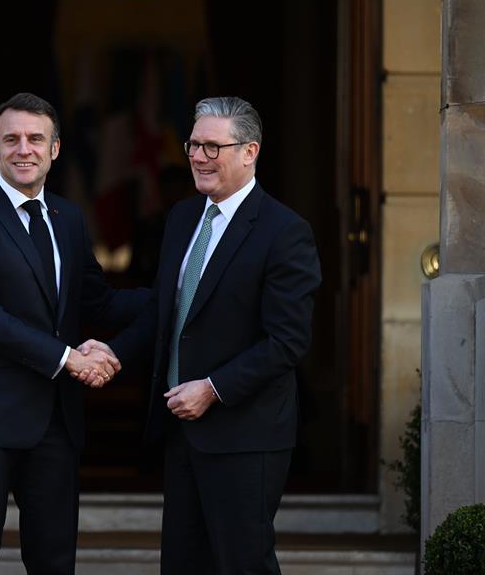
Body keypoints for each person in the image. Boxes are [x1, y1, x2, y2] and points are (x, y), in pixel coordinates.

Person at [87, 96, 321, 573]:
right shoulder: (182, 218)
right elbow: (166, 311)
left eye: (213, 147)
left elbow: (287, 341)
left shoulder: (284, 231)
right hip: (182, 432)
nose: (197, 156)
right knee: (182, 564)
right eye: (194, 144)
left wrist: (213, 389)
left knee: (241, 563)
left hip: (245, 433)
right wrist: (114, 350)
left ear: (250, 152)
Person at [0, 92, 148, 575]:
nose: (23, 149)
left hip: (54, 422)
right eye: (11, 139)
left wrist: (177, 294)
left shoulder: (68, 219)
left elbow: (97, 301)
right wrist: (70, 359)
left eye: (35, 139)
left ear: (55, 149)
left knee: (55, 562)